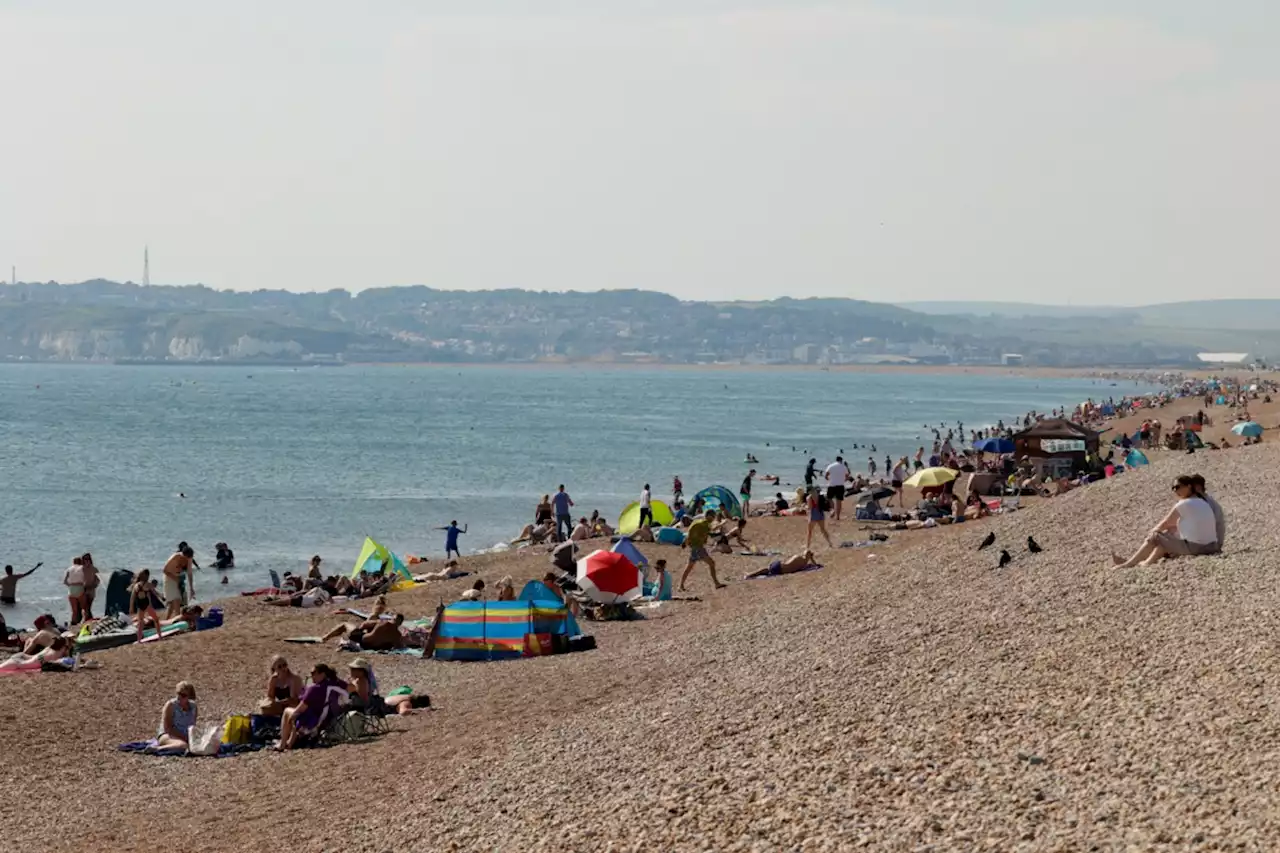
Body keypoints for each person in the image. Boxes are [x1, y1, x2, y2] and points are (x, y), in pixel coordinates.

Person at [1112, 475, 1220, 567]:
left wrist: (1152, 533)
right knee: (1167, 538)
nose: (1175, 491)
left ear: (1189, 486)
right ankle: (1145, 562)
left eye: (1177, 487)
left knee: (1156, 535)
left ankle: (1129, 564)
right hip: (1212, 546)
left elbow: (1165, 523)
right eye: (1173, 488)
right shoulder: (1202, 502)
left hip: (1198, 548)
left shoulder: (1184, 504)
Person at [279, 664, 347, 750]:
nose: (311, 676)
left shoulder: (314, 689)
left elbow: (300, 709)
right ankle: (290, 743)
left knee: (288, 712)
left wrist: (290, 718)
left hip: (314, 722)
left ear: (322, 674)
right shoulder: (336, 683)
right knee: (301, 713)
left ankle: (282, 744)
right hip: (330, 719)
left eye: (313, 673)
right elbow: (351, 688)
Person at [345, 658, 427, 716]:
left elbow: (364, 700)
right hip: (376, 704)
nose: (351, 670)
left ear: (362, 671)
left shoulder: (361, 681)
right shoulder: (361, 680)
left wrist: (352, 692)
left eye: (354, 669)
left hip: (372, 706)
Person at [678, 512, 724, 592]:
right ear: (709, 516)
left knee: (689, 567)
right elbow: (713, 530)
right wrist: (722, 523)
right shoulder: (704, 524)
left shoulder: (697, 522)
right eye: (713, 517)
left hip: (694, 547)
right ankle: (716, 583)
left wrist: (684, 542)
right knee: (711, 563)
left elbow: (690, 533)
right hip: (698, 548)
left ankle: (681, 585)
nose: (713, 519)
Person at [156, 682, 198, 750]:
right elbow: (168, 729)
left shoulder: (193, 707)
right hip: (168, 736)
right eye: (178, 693)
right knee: (183, 745)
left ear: (189, 696)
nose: (179, 697)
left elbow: (192, 726)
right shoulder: (171, 705)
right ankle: (157, 749)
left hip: (185, 737)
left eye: (183, 695)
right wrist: (184, 738)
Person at [128, 569, 164, 641]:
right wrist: (162, 597)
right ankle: (160, 637)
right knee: (156, 620)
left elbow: (132, 598)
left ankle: (139, 640)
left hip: (139, 604)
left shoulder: (135, 585)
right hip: (146, 604)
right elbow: (155, 592)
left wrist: (131, 608)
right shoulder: (147, 584)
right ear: (147, 576)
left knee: (141, 623)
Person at [162, 543, 196, 619]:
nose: (188, 559)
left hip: (178, 577)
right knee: (176, 600)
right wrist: (175, 579)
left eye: (189, 558)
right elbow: (165, 570)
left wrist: (191, 588)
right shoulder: (175, 557)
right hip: (169, 577)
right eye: (186, 557)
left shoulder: (189, 558)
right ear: (183, 554)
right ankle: (178, 620)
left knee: (173, 603)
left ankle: (167, 620)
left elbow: (189, 573)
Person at [744, 549, 817, 579]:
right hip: (781, 568)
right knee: (765, 570)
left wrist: (811, 558)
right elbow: (815, 565)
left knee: (765, 570)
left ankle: (750, 574)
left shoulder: (799, 558)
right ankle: (750, 575)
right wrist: (812, 559)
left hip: (780, 566)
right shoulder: (804, 563)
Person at [824, 456, 850, 521]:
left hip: (831, 485)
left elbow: (826, 476)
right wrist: (843, 480)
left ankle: (832, 510)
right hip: (840, 485)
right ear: (841, 460)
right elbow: (847, 477)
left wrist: (829, 480)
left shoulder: (831, 466)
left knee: (829, 498)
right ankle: (838, 516)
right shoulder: (844, 467)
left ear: (836, 460)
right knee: (839, 501)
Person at [63, 556, 86, 625]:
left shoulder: (69, 569)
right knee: (84, 607)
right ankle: (84, 621)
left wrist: (70, 585)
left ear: (73, 562)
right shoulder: (82, 568)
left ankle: (73, 622)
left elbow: (64, 581)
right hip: (80, 587)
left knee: (74, 610)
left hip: (72, 589)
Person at [80, 554, 100, 620]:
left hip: (91, 589)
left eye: (88, 559)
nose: (87, 560)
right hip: (83, 589)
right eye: (85, 559)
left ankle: (88, 618)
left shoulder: (94, 569)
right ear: (83, 560)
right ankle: (87, 618)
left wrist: (94, 585)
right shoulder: (81, 569)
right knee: (85, 606)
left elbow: (98, 579)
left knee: (89, 606)